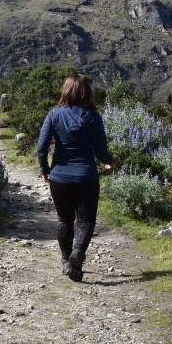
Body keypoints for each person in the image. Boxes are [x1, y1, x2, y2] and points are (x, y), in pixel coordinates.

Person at [36, 74, 114, 282]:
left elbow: (41, 147)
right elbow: (100, 149)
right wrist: (109, 161)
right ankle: (78, 251)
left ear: (66, 91)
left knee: (64, 220)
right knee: (86, 221)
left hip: (60, 178)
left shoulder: (54, 115)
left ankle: (65, 261)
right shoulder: (94, 117)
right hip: (87, 177)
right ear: (87, 92)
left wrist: (44, 169)